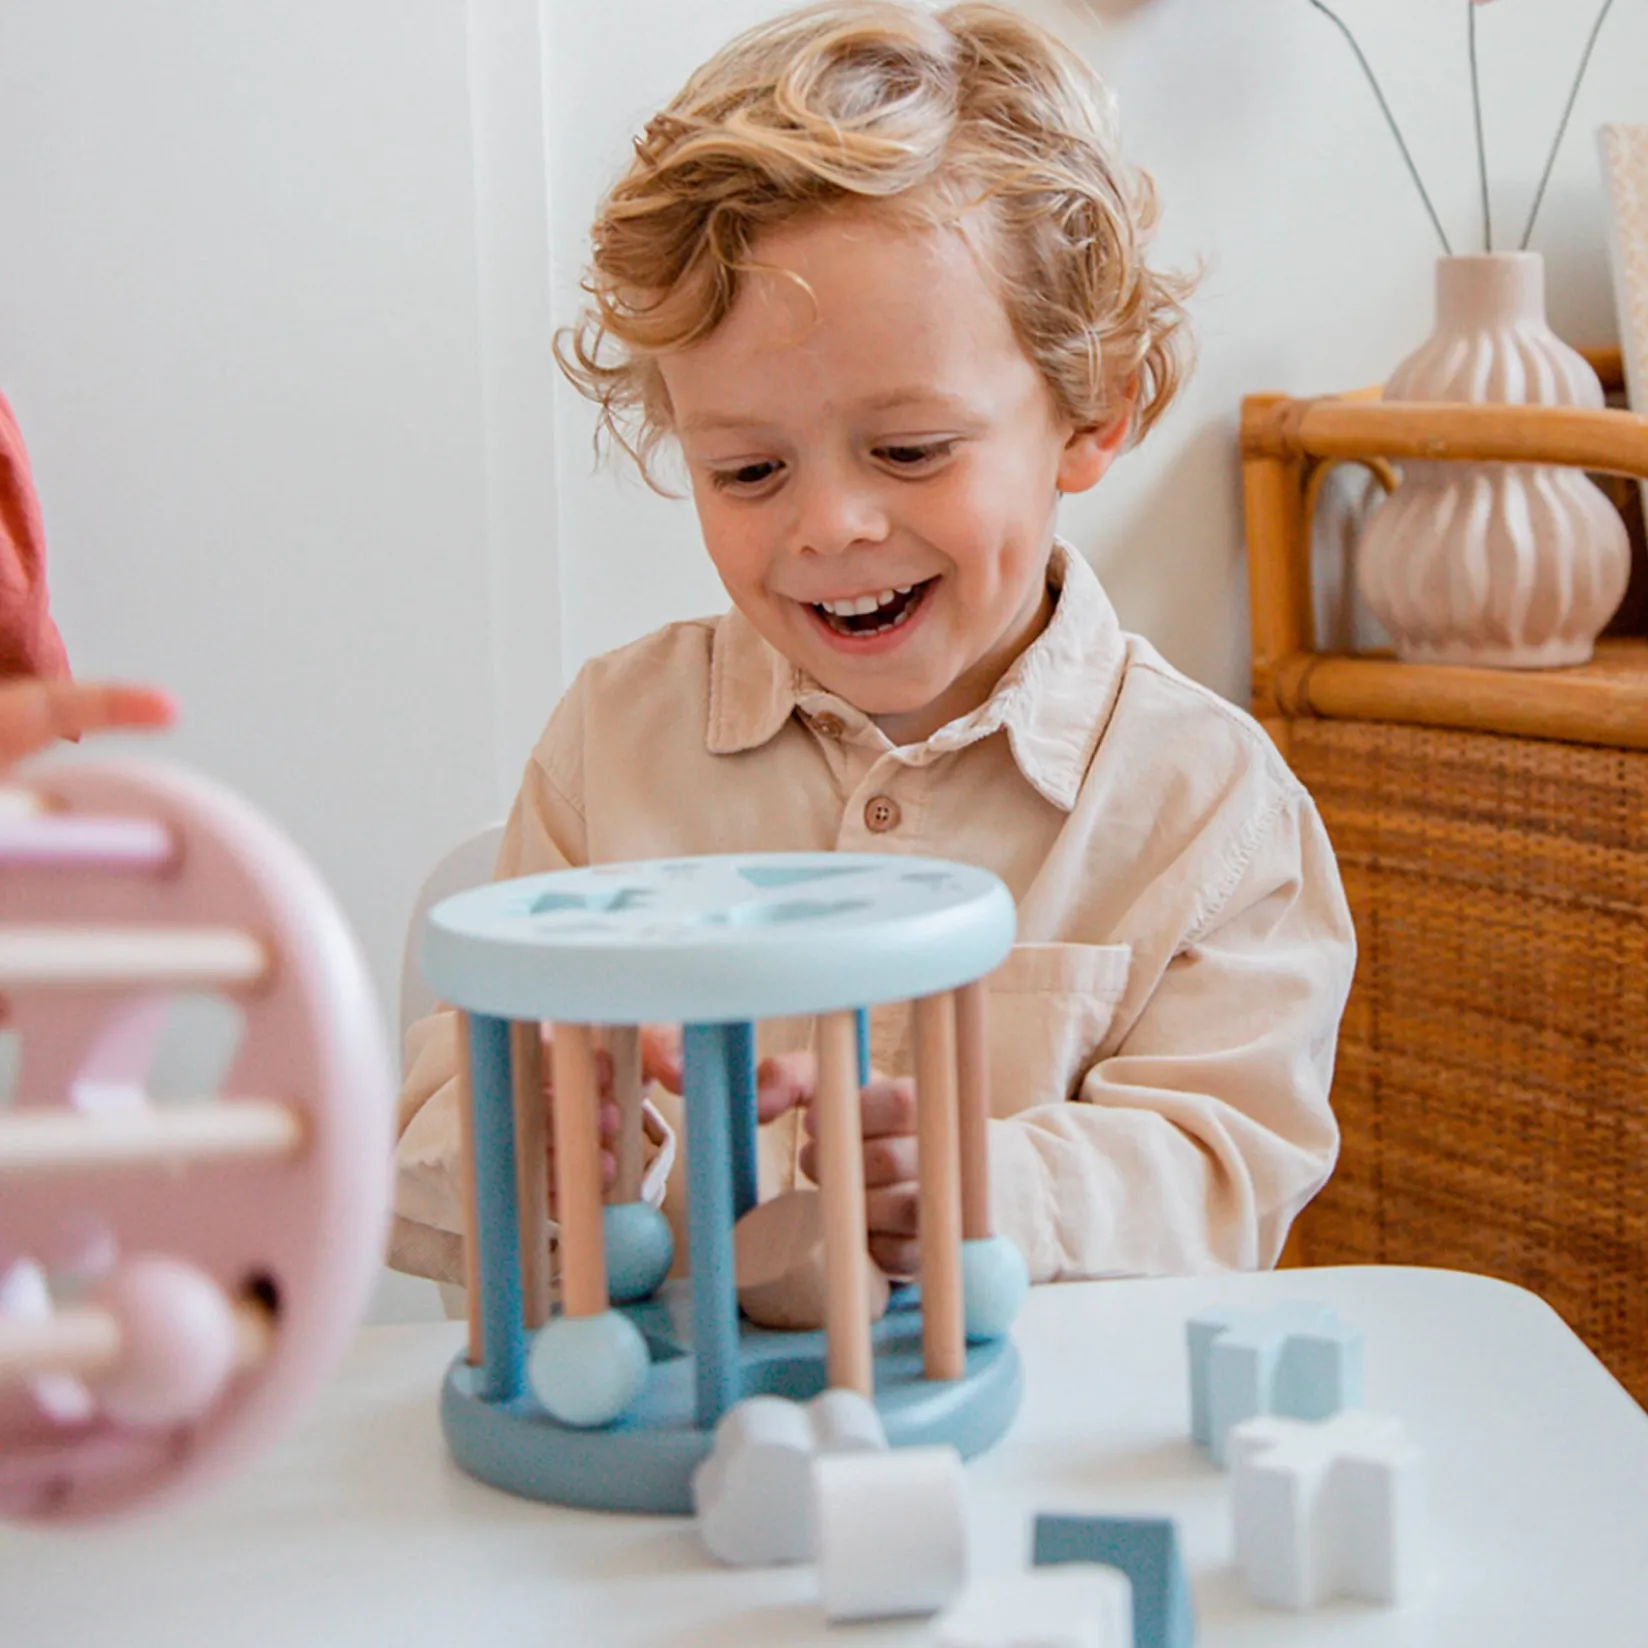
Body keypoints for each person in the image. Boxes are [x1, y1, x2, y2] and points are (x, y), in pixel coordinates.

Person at [392, 0, 1355, 1290]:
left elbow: (1228, 1172)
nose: (831, 526)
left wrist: (999, 1190)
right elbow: (446, 1127)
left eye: (910, 451)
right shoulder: (611, 744)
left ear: (1091, 409)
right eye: (746, 469)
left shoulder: (1208, 804)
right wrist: (544, 1143)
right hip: (677, 1452)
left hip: (1017, 1451)